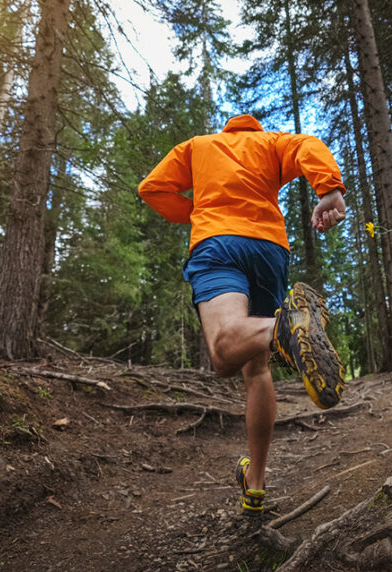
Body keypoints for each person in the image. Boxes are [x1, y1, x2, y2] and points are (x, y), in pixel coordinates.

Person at [138, 114, 347, 516]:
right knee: (257, 369)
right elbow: (308, 145)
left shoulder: (199, 146)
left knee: (222, 352)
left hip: (217, 244)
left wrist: (196, 210)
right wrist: (329, 189)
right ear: (253, 128)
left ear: (228, 129)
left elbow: (153, 188)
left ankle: (284, 326)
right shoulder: (271, 143)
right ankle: (255, 483)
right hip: (269, 249)